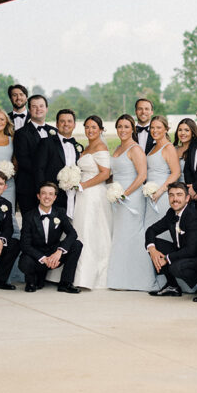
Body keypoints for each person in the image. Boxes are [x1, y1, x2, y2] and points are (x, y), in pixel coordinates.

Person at [107, 115, 157, 291]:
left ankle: (139, 280)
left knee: (132, 235)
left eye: (126, 127)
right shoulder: (119, 147)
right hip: (118, 198)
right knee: (120, 236)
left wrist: (124, 194)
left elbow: (142, 175)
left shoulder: (135, 149)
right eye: (119, 126)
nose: (122, 130)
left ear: (132, 129)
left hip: (132, 198)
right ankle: (120, 278)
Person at [18, 182, 82, 293]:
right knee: (25, 261)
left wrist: (59, 252)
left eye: (50, 194)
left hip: (54, 253)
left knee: (77, 244)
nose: (47, 197)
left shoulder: (60, 212)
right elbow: (25, 244)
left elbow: (72, 233)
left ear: (55, 197)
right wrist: (44, 258)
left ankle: (65, 283)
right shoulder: (29, 216)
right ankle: (31, 281)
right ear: (38, 196)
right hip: (37, 257)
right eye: (44, 194)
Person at [145, 181, 197, 296]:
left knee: (175, 267)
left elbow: (192, 250)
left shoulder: (193, 216)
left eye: (179, 195)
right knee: (154, 243)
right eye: (171, 195)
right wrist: (152, 250)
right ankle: (172, 285)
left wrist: (167, 258)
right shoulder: (171, 213)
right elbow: (151, 230)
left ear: (187, 198)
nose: (175, 199)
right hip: (181, 252)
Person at [73, 116, 113, 290]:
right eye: (87, 127)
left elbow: (105, 173)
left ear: (101, 130)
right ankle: (77, 274)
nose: (90, 130)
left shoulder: (101, 147)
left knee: (91, 231)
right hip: (83, 193)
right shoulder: (87, 147)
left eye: (94, 127)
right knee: (81, 229)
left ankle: (89, 277)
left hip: (94, 193)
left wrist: (84, 185)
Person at [36, 108, 83, 216]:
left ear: (74, 124)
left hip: (74, 195)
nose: (66, 124)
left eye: (69, 121)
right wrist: (44, 193)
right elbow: (39, 169)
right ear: (57, 124)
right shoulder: (46, 143)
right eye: (62, 121)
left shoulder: (78, 147)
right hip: (54, 195)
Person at [13, 94, 55, 213]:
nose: (38, 109)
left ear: (46, 109)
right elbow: (23, 160)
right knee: (30, 225)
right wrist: (46, 174)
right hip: (29, 187)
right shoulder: (21, 133)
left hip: (52, 188)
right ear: (29, 110)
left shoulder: (54, 132)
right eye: (34, 107)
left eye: (41, 106)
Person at [144, 116, 181, 226]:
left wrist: (160, 191)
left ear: (166, 129)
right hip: (151, 194)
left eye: (158, 127)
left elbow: (176, 172)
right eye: (152, 127)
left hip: (162, 194)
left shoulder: (168, 147)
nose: (154, 131)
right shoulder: (153, 147)